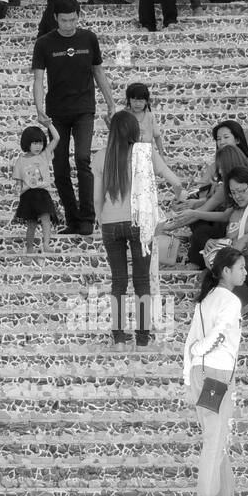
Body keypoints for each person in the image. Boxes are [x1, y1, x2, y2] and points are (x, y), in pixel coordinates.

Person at [94, 110, 186, 348]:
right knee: (142, 281)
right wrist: (178, 197)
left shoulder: (101, 156)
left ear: (112, 131)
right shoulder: (146, 153)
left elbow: (96, 198)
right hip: (140, 223)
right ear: (135, 130)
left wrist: (101, 221)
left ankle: (118, 338)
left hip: (111, 223)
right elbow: (175, 181)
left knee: (118, 282)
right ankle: (143, 339)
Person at [31, 0, 118, 235]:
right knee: (59, 166)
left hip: (84, 109)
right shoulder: (44, 43)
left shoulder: (89, 38)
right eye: (64, 21)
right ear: (55, 19)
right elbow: (38, 79)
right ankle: (73, 218)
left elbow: (98, 71)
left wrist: (111, 103)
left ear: (79, 17)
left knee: (82, 158)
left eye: (73, 20)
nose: (69, 25)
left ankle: (88, 218)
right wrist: (39, 109)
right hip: (56, 112)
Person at [181, 246, 248, 496]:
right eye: (241, 267)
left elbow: (190, 340)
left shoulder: (206, 299)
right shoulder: (230, 301)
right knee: (214, 437)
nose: (246, 272)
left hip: (205, 373)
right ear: (226, 271)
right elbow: (216, 335)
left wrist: (188, 376)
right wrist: (203, 349)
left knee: (219, 437)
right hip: (215, 374)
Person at [183, 166, 248, 321]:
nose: (237, 196)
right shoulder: (236, 213)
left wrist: (246, 239)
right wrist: (217, 243)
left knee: (225, 270)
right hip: (247, 267)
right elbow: (233, 241)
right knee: (209, 275)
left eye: (241, 190)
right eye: (233, 192)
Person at [13, 125, 58, 254]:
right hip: (28, 195)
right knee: (31, 224)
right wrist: (17, 189)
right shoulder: (20, 161)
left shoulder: (44, 155)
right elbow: (18, 182)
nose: (38, 146)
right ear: (27, 143)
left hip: (42, 193)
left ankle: (46, 244)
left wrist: (49, 124)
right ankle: (29, 248)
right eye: (34, 143)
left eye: (40, 143)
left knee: (46, 218)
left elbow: (56, 138)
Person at [124, 82, 165, 156]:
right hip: (128, 155)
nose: (137, 104)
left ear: (146, 101)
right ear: (129, 100)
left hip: (147, 155)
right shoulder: (124, 116)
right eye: (134, 100)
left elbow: (157, 137)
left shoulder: (150, 117)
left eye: (141, 101)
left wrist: (161, 154)